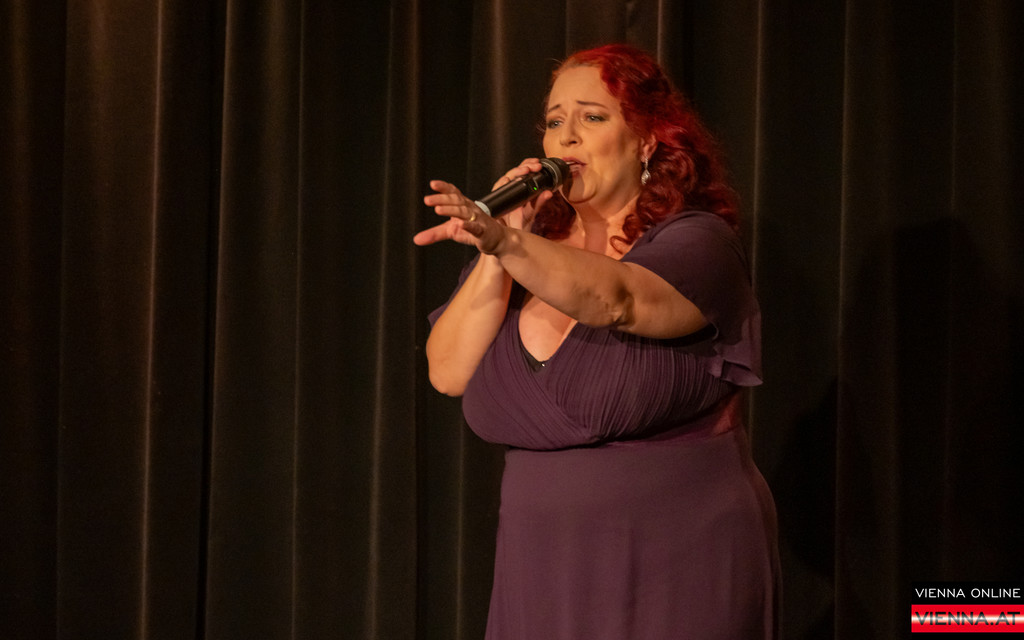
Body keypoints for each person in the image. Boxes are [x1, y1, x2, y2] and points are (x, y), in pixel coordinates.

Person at [414, 43, 779, 639]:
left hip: (676, 556)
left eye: (592, 116)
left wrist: (509, 246)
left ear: (647, 141)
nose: (566, 137)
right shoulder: (522, 251)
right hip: (540, 565)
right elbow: (448, 371)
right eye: (555, 121)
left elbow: (618, 300)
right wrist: (498, 245)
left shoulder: (697, 242)